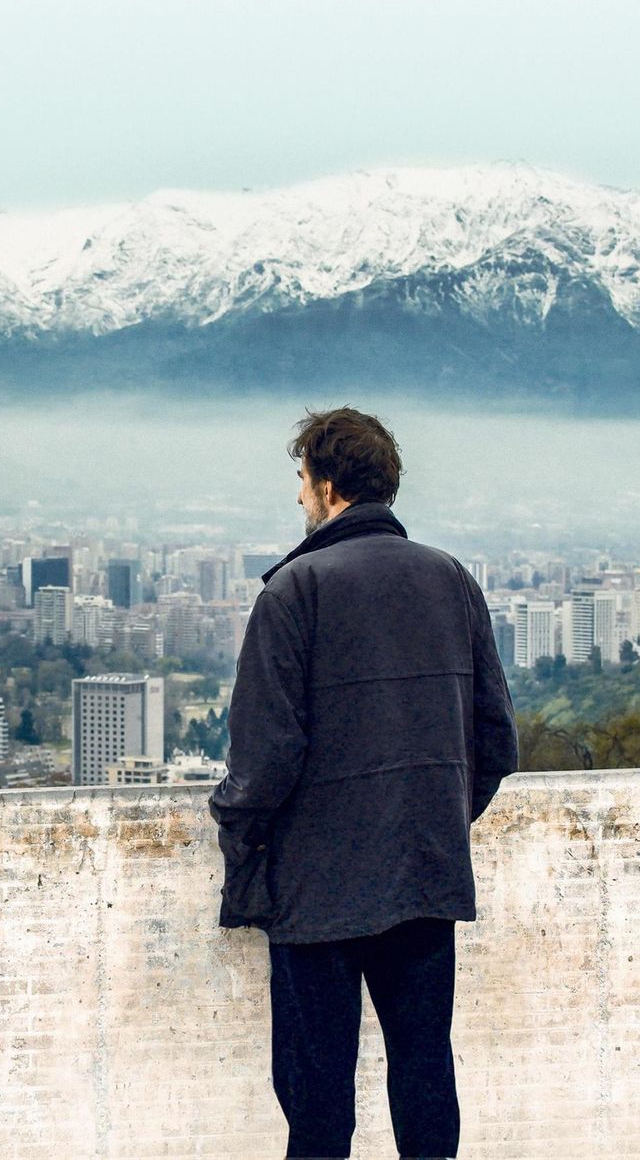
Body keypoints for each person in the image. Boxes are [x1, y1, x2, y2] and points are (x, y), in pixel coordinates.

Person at [208, 405, 520, 1160]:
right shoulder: (452, 581)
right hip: (424, 874)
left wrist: (242, 836)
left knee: (317, 1110)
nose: (298, 497)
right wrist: (435, 816)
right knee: (424, 1079)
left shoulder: (294, 592)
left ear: (328, 483)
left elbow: (261, 761)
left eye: (302, 479)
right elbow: (495, 742)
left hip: (317, 892)